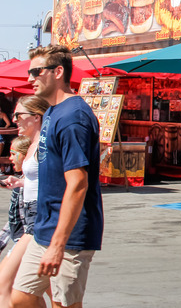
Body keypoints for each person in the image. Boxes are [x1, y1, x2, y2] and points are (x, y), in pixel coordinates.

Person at [12, 45, 103, 308]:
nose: (30, 78)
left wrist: (58, 244)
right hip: (45, 228)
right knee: (21, 298)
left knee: (64, 305)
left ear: (58, 72)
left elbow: (78, 184)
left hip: (70, 235)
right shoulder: (52, 111)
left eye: (36, 72)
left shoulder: (74, 117)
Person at [0, 96, 50, 307]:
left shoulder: (45, 146)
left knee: (6, 286)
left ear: (36, 117)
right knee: (33, 292)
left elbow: (58, 183)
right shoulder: (34, 145)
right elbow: (36, 180)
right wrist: (20, 182)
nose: (14, 120)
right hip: (31, 220)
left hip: (38, 220)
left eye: (19, 115)